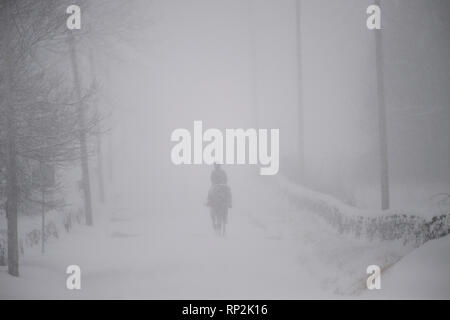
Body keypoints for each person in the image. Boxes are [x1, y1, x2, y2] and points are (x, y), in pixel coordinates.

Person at [206, 164, 232, 236]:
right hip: (216, 185)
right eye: (216, 165)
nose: (216, 166)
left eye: (217, 165)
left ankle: (229, 202)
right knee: (210, 191)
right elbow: (211, 179)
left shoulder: (222, 172)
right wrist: (216, 183)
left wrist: (222, 183)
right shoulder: (213, 172)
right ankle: (209, 201)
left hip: (221, 185)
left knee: (228, 191)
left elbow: (226, 179)